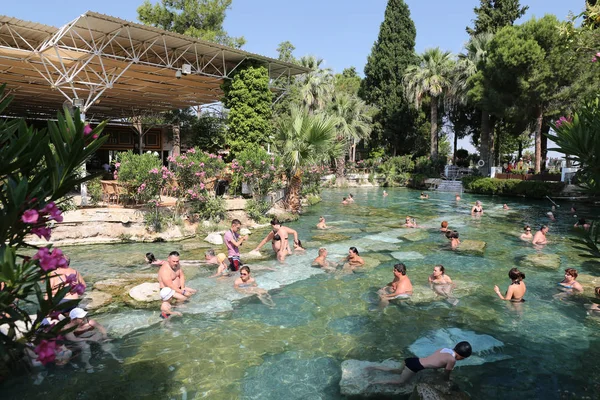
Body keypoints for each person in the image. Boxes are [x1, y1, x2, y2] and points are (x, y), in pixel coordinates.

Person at [369, 341, 472, 385]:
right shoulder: (452, 360)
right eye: (462, 359)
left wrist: (435, 371)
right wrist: (446, 381)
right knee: (400, 382)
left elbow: (435, 361)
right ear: (460, 356)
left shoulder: (444, 349)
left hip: (412, 360)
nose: (460, 360)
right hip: (414, 366)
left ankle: (373, 367)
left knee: (396, 371)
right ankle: (374, 383)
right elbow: (446, 374)